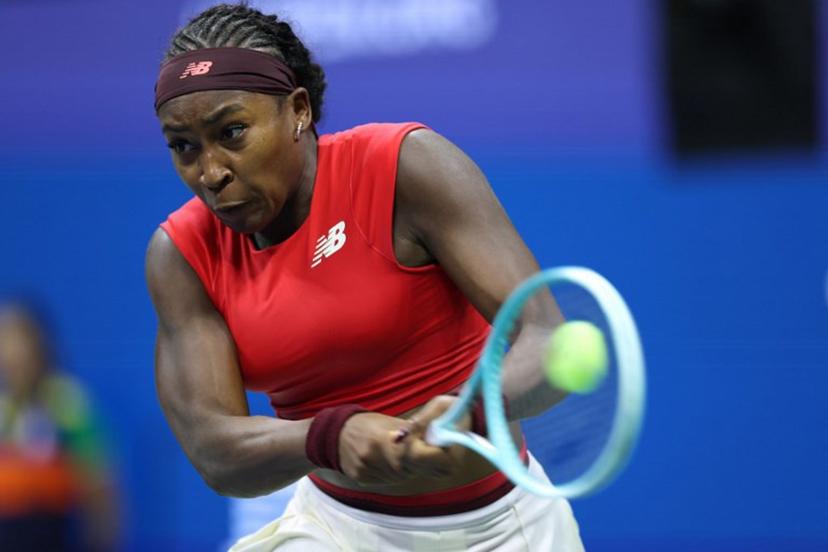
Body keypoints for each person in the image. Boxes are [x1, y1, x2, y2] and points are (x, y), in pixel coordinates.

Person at [146, 3, 584, 550]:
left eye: (232, 132)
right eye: (183, 147)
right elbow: (216, 452)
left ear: (298, 110)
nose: (210, 172)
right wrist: (329, 437)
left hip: (503, 527)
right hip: (335, 530)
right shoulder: (182, 254)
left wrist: (470, 407)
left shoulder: (404, 167)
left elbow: (545, 339)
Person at [0, 300, 120, 551]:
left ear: (39, 346)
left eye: (17, 340)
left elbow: (98, 488)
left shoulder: (68, 405)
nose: (10, 352)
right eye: (4, 341)